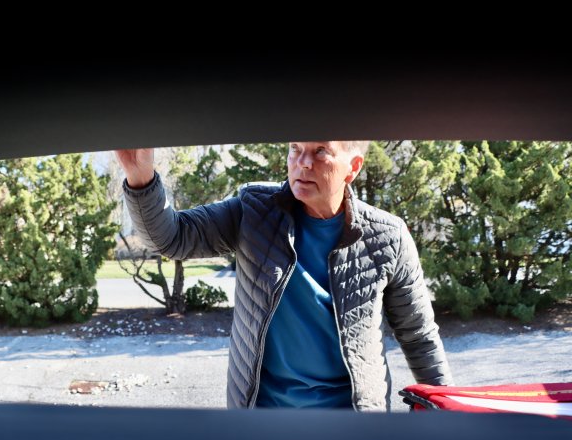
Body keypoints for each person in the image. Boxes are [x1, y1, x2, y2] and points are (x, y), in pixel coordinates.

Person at [115, 142, 453, 411]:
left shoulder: (388, 237)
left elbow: (419, 337)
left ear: (353, 167)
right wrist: (141, 180)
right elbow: (173, 238)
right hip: (264, 425)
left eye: (320, 151)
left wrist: (449, 411)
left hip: (353, 428)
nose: (303, 162)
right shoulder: (253, 210)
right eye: (295, 149)